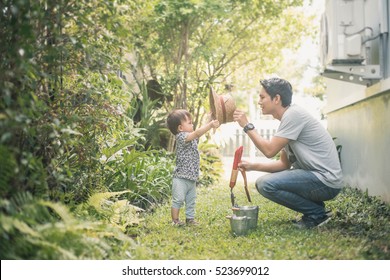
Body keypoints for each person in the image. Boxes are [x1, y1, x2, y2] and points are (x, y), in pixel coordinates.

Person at [233, 77, 343, 229]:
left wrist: (247, 125)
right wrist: (251, 166)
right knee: (265, 183)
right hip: (318, 178)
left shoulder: (293, 115)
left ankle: (317, 213)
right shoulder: (288, 120)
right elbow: (284, 165)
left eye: (262, 97)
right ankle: (316, 210)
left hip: (326, 180)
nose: (259, 101)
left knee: (266, 184)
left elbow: (269, 151)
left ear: (276, 98)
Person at [167, 109, 220, 226]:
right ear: (180, 128)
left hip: (191, 178)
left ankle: (189, 219)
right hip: (180, 178)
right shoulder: (181, 137)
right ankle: (175, 220)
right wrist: (211, 125)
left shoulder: (190, 137)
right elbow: (197, 133)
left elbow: (198, 133)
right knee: (178, 200)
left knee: (191, 200)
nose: (193, 125)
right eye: (190, 123)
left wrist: (210, 119)